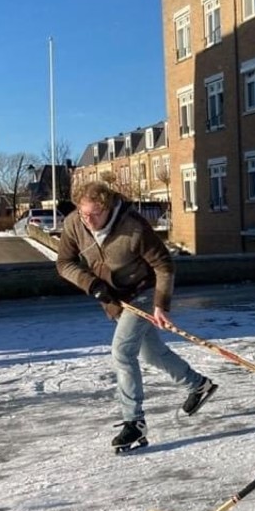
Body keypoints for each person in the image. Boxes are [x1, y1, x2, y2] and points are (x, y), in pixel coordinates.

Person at [56, 181, 217, 452]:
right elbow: (64, 264)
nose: (89, 221)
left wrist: (160, 304)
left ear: (107, 208)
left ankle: (135, 422)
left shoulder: (134, 227)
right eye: (84, 214)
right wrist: (90, 283)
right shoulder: (75, 223)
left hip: (143, 291)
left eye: (94, 214)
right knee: (151, 353)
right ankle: (198, 385)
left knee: (122, 352)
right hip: (114, 299)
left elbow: (164, 265)